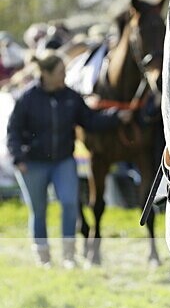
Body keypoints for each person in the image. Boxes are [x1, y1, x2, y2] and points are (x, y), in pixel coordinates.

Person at [7, 53, 132, 267]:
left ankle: (68, 256)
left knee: (69, 203)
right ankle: (43, 255)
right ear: (46, 74)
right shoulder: (27, 99)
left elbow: (90, 121)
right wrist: (18, 158)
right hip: (32, 163)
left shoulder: (71, 97)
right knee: (38, 210)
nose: (65, 75)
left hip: (63, 161)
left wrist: (116, 116)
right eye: (61, 72)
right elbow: (13, 131)